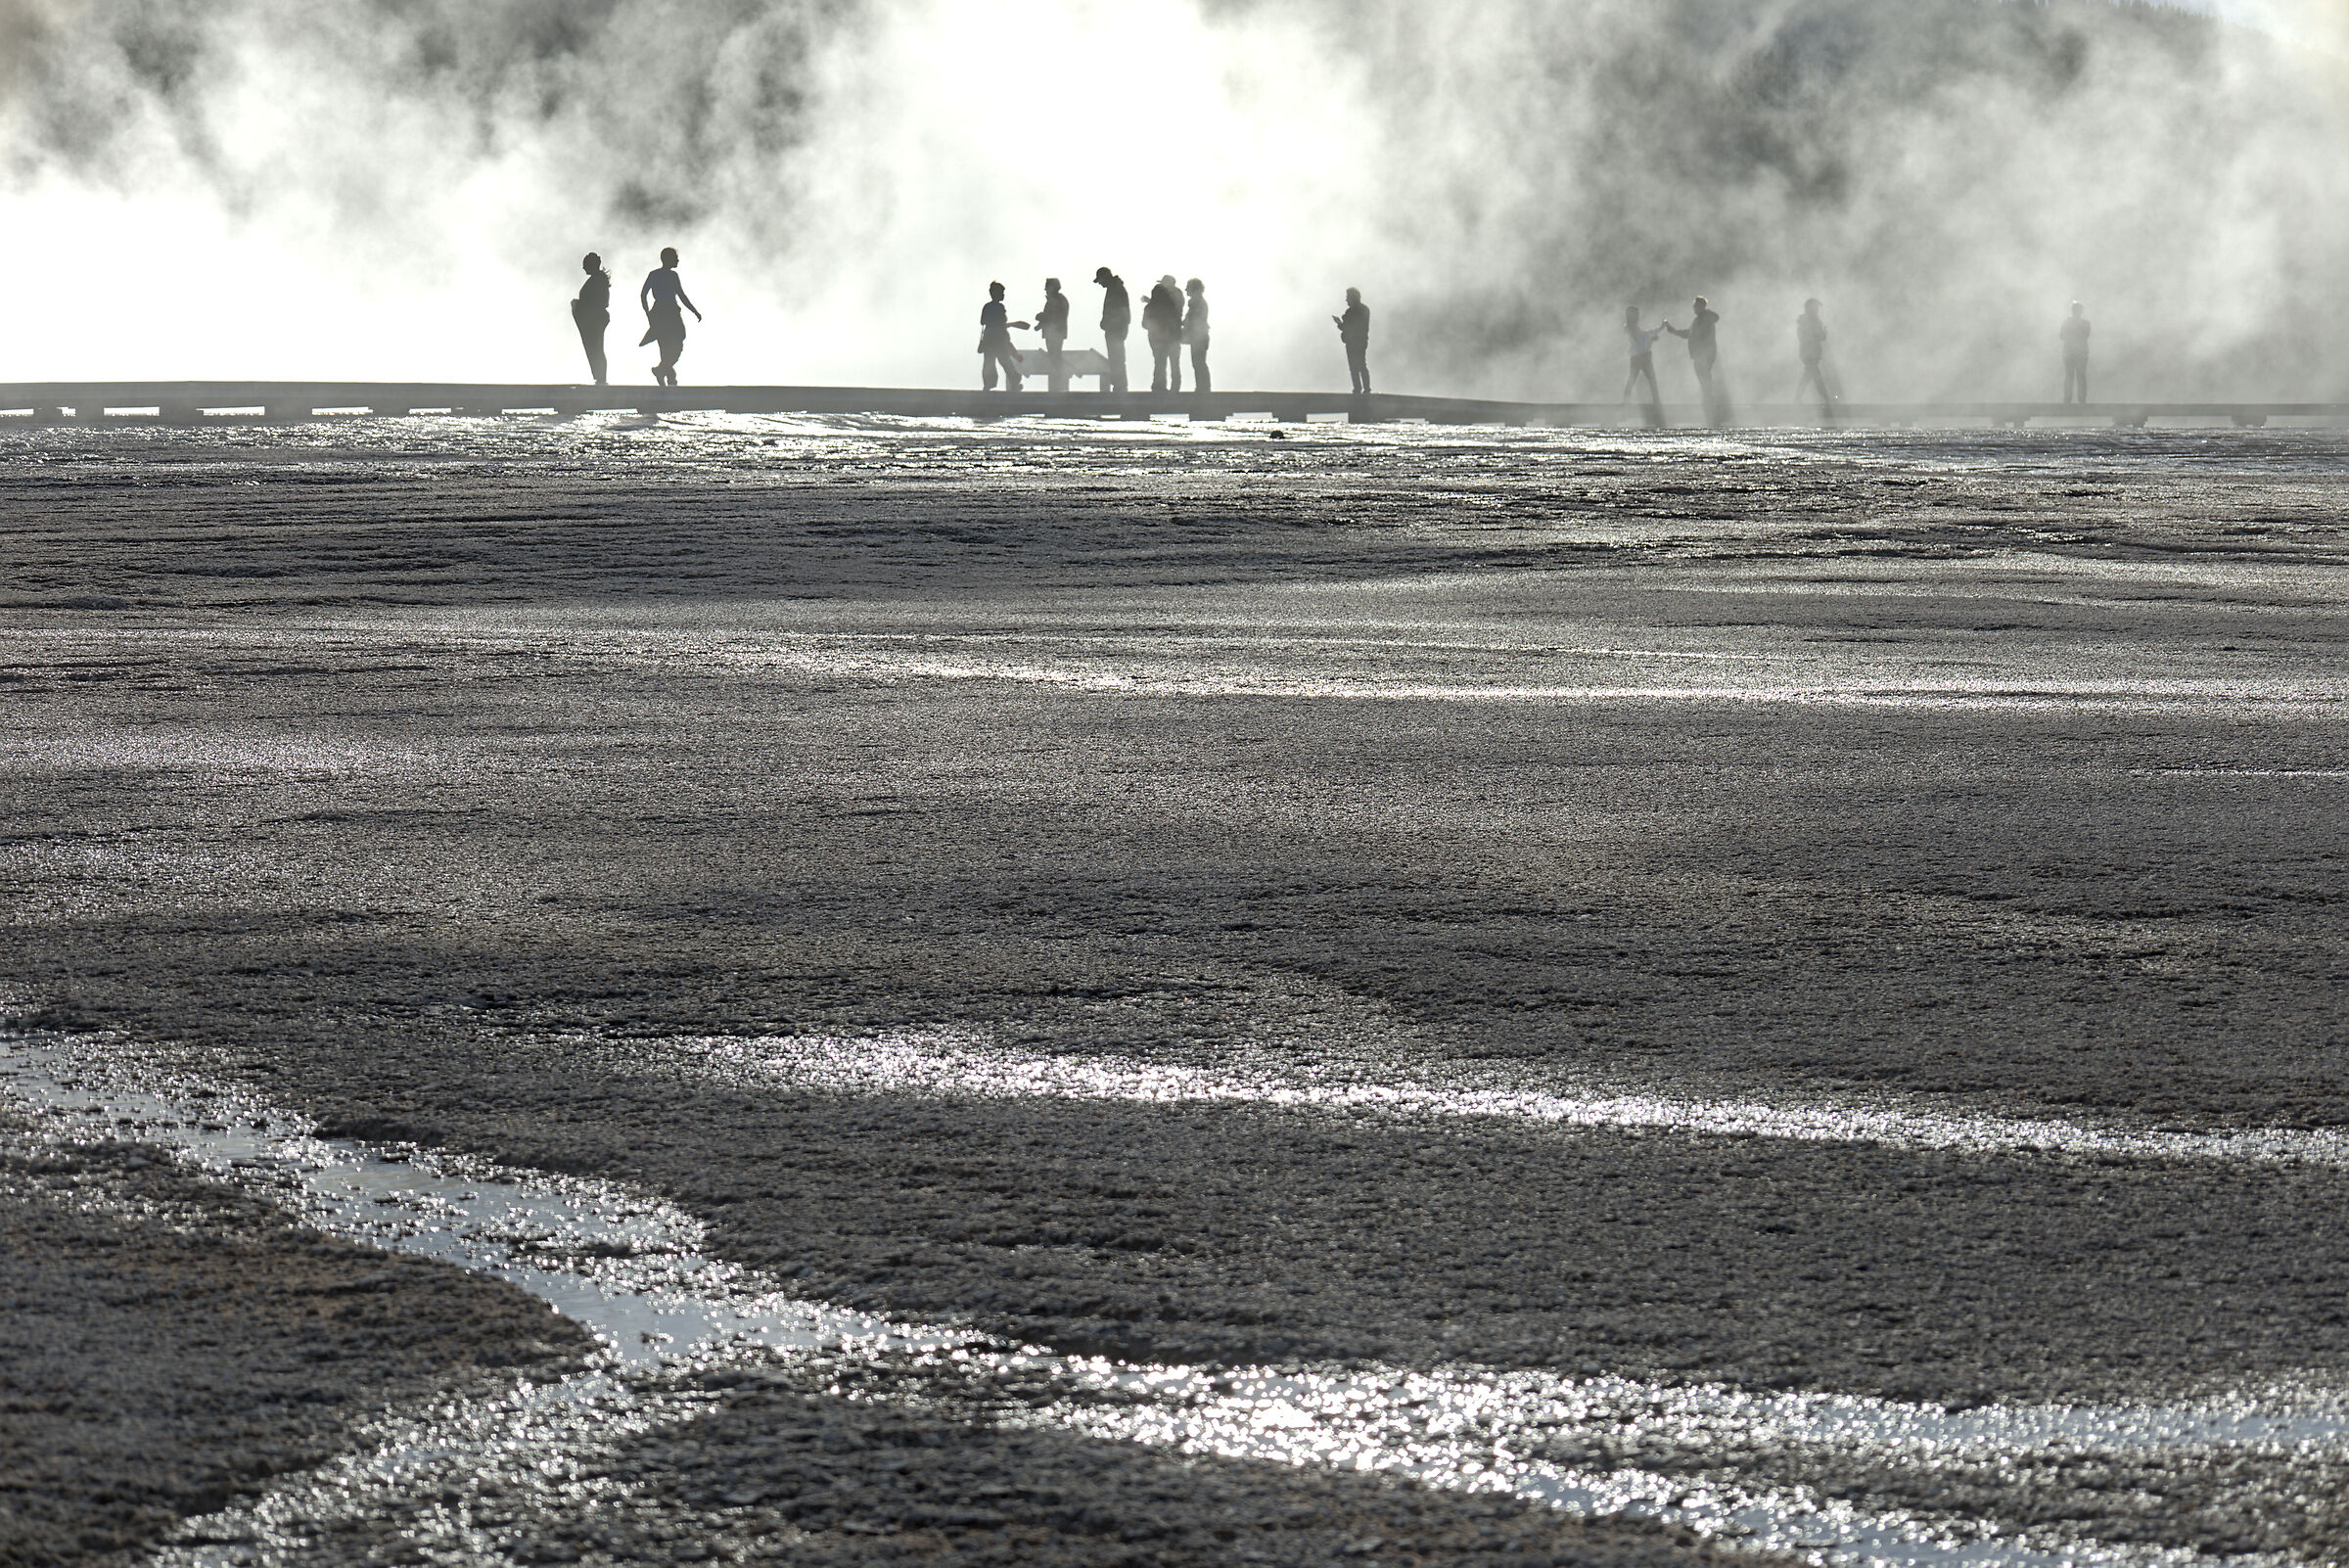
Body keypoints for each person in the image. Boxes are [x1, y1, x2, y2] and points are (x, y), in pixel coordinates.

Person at [638, 247, 701, 387]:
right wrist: (647, 312)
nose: (678, 260)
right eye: (675, 258)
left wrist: (694, 311)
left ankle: (663, 371)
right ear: (668, 259)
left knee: (677, 342)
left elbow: (681, 295)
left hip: (669, 313)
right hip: (664, 313)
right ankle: (669, 377)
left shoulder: (672, 275)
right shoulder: (657, 275)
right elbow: (643, 294)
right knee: (666, 346)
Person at [1664, 296, 1723, 425]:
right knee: (1705, 382)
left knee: (1705, 382)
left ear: (1701, 306)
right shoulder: (1699, 319)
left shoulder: (1705, 319)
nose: (1694, 308)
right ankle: (1710, 409)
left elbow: (1694, 335)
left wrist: (1675, 332)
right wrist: (1673, 331)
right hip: (1700, 355)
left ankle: (1711, 410)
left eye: (1695, 306)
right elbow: (1689, 334)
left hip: (1703, 355)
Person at [979, 281, 1028, 392]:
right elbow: (1001, 322)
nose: (1003, 295)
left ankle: (988, 384)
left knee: (989, 362)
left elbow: (982, 321)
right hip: (999, 338)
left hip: (989, 339)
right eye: (1002, 292)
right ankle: (1015, 382)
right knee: (1005, 361)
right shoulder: (1000, 307)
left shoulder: (987, 306)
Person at [571, 253, 611, 386]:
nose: (583, 268)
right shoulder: (597, 279)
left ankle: (601, 378)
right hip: (595, 317)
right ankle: (599, 377)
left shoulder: (597, 280)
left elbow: (602, 302)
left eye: (585, 265)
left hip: (595, 318)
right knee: (595, 347)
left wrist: (581, 306)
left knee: (596, 347)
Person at [1143, 274, 1184, 392]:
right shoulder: (1172, 302)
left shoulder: (1152, 306)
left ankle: (1159, 386)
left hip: (1160, 338)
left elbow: (1145, 324)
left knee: (1160, 362)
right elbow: (1175, 315)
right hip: (1173, 335)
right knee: (1174, 362)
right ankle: (1174, 388)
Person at [1094, 267, 1131, 394]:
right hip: (1115, 329)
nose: (1100, 283)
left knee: (1117, 359)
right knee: (1116, 359)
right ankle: (1119, 386)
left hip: (1116, 330)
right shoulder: (1115, 288)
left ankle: (1120, 388)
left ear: (1105, 277)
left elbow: (1122, 312)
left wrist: (1109, 323)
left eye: (1100, 280)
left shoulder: (1116, 290)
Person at [1795, 298, 1835, 413]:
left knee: (1808, 377)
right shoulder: (1809, 322)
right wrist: (1823, 331)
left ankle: (1797, 398)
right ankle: (1827, 400)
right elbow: (1818, 336)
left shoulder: (1807, 321)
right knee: (1817, 378)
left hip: (1810, 354)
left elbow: (1818, 337)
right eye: (1816, 307)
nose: (1817, 310)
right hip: (1810, 354)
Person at [1623, 305, 1665, 413]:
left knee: (1634, 380)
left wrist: (1660, 328)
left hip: (1639, 357)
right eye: (1636, 314)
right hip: (1641, 357)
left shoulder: (1635, 327)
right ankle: (1656, 404)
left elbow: (1647, 334)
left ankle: (1625, 402)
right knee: (1649, 380)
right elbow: (1641, 344)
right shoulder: (1631, 328)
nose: (1638, 316)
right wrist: (1652, 339)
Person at [1036, 277, 1072, 393]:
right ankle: (1057, 385)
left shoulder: (1055, 301)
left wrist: (1041, 318)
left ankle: (1057, 385)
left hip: (1055, 334)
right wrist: (1040, 324)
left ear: (1053, 287)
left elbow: (1053, 318)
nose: (1046, 290)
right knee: (1055, 357)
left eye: (1047, 288)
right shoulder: (1059, 300)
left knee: (1054, 358)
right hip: (1056, 333)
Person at [1335, 287, 1370, 393]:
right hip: (1360, 341)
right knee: (1361, 365)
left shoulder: (1352, 311)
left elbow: (1347, 327)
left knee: (1355, 367)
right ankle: (1365, 388)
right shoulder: (1364, 309)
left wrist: (1340, 323)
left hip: (1354, 342)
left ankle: (1358, 388)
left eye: (1348, 297)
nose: (1346, 300)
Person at [1181, 278, 1212, 393]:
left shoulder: (1197, 303)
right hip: (1200, 337)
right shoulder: (1198, 302)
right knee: (1198, 363)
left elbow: (1194, 321)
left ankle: (1203, 388)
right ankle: (1203, 388)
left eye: (1188, 287)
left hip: (1199, 337)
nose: (1186, 290)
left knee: (1198, 363)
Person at [2060, 301, 2092, 403]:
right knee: (2077, 376)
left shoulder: (2069, 322)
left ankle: (2070, 401)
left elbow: (2062, 336)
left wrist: (2071, 329)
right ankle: (2076, 401)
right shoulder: (2085, 323)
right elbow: (2061, 336)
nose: (2076, 312)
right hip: (2076, 352)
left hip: (2074, 352)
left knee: (2073, 376)